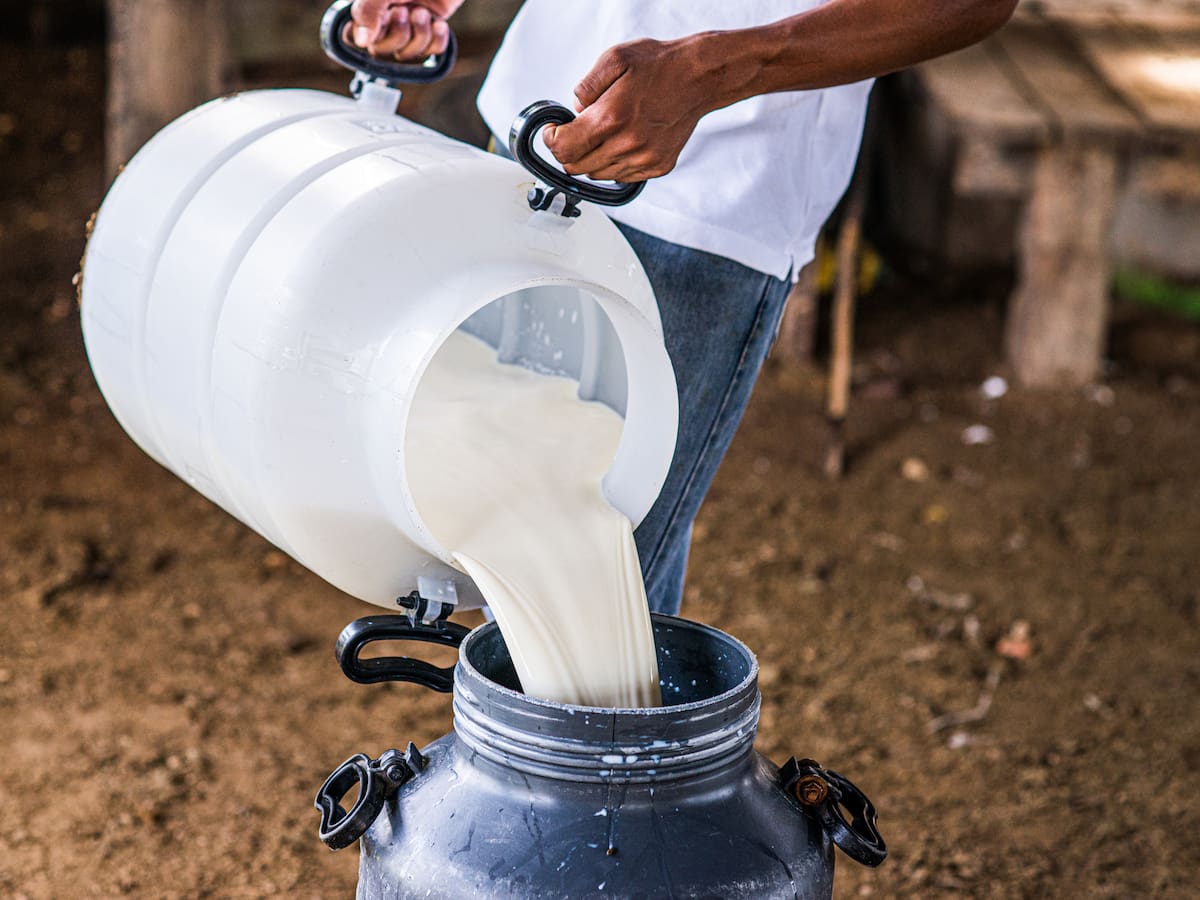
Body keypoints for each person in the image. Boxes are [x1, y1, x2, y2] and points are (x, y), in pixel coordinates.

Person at [348, 0, 1017, 616]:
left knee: (590, 599)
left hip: (699, 203)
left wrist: (712, 70)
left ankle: (596, 745)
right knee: (506, 550)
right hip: (526, 128)